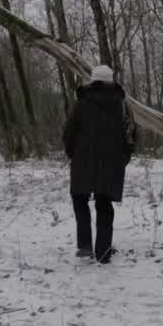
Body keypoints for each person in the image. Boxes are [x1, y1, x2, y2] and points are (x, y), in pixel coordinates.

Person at [63, 64, 137, 263]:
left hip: (82, 162)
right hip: (111, 164)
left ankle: (85, 246)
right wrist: (123, 159)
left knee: (80, 200)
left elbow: (68, 133)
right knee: (104, 205)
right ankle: (103, 252)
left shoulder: (80, 104)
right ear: (111, 80)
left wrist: (72, 154)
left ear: (93, 81)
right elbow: (131, 135)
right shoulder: (122, 105)